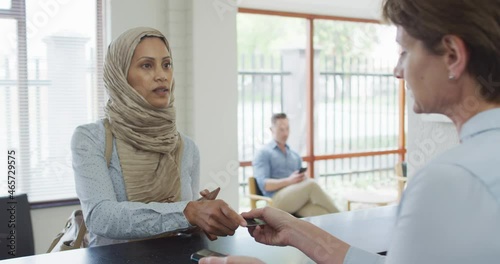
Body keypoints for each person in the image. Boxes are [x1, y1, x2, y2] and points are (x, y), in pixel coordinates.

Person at [201, 0, 500, 263]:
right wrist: (297, 230)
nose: (398, 70)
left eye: (405, 51)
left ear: (452, 56)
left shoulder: (447, 181)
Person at [71, 27, 245, 247]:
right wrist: (187, 211)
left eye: (167, 64)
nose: (162, 75)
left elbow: (182, 221)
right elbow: (101, 217)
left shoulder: (186, 147)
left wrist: (202, 216)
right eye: (146, 65)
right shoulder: (90, 139)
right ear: (120, 76)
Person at [252, 113, 338, 217]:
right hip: (275, 200)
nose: (285, 133)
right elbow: (264, 185)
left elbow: (300, 183)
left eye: (287, 129)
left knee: (321, 213)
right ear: (272, 130)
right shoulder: (264, 153)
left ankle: (341, 226)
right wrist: (289, 180)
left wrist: (301, 179)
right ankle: (344, 217)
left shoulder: (294, 155)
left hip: (296, 199)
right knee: (311, 185)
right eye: (281, 129)